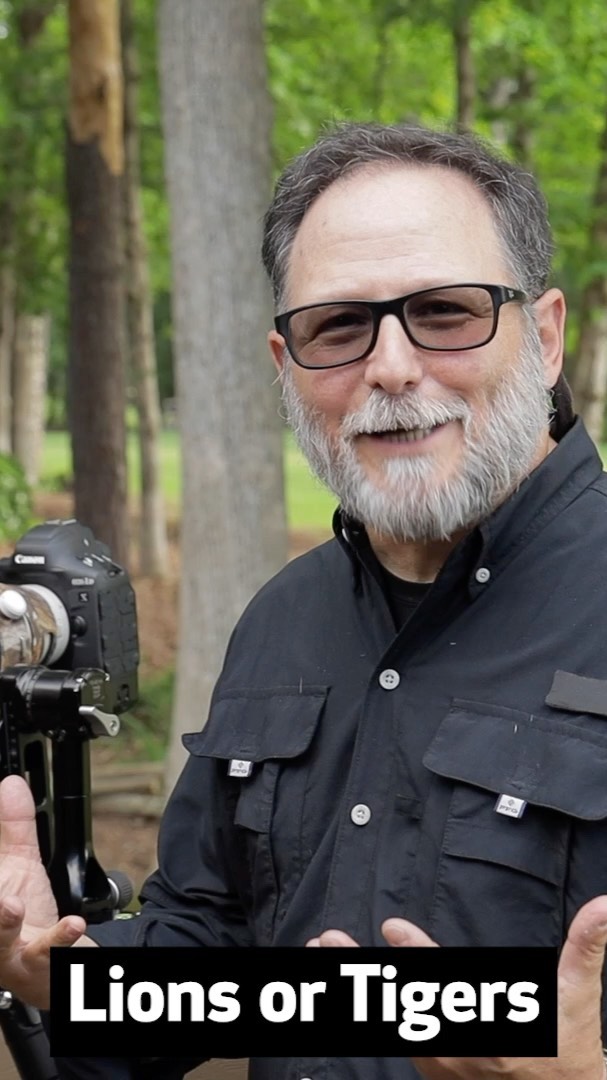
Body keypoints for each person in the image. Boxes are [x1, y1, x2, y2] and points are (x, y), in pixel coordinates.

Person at [1, 121, 607, 1080]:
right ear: (287, 366)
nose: (391, 366)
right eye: (339, 327)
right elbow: (211, 949)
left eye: (445, 312)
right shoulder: (283, 619)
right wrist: (62, 976)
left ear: (542, 337)